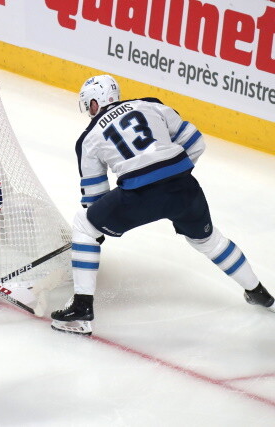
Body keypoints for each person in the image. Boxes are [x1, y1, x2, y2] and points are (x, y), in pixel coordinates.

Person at [50, 75, 274, 336]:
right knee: (209, 241)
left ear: (94, 103)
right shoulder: (150, 105)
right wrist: (172, 176)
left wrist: (95, 232)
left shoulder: (89, 137)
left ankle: (82, 309)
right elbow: (195, 142)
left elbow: (95, 198)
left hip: (139, 196)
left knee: (83, 224)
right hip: (184, 188)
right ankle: (260, 294)